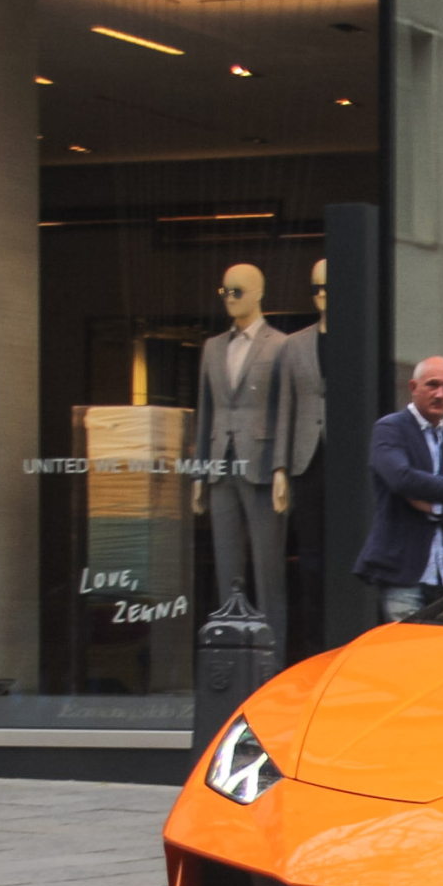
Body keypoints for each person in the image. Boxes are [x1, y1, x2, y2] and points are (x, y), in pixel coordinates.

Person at [192, 263, 287, 643]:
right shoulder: (212, 347)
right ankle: (230, 656)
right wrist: (199, 473)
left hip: (262, 467)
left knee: (268, 572)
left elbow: (285, 410)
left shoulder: (281, 345)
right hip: (220, 467)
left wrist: (281, 466)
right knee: (227, 568)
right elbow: (206, 412)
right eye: (225, 291)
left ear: (259, 293)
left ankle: (272, 661)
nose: (230, 299)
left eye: (238, 291)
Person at [354, 356, 443, 621]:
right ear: (413, 387)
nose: (440, 394)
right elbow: (402, 479)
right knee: (408, 654)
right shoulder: (390, 429)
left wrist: (436, 508)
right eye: (432, 385)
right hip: (404, 574)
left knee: (442, 656)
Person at [271, 258, 328, 659]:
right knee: (311, 561)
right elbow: (284, 407)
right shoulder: (294, 344)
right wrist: (279, 467)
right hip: (306, 459)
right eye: (315, 288)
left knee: (347, 555)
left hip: (348, 461)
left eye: (328, 286)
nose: (322, 295)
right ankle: (311, 647)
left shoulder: (359, 335)